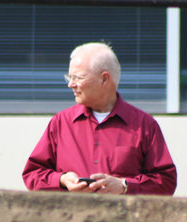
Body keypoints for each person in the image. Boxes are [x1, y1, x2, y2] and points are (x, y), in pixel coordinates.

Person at [22, 42, 177, 195]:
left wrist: (124, 186)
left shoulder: (144, 125)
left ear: (104, 79)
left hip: (123, 218)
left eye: (78, 77)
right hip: (71, 218)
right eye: (69, 77)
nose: (71, 84)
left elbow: (166, 181)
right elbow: (33, 174)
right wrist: (62, 180)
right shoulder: (61, 122)